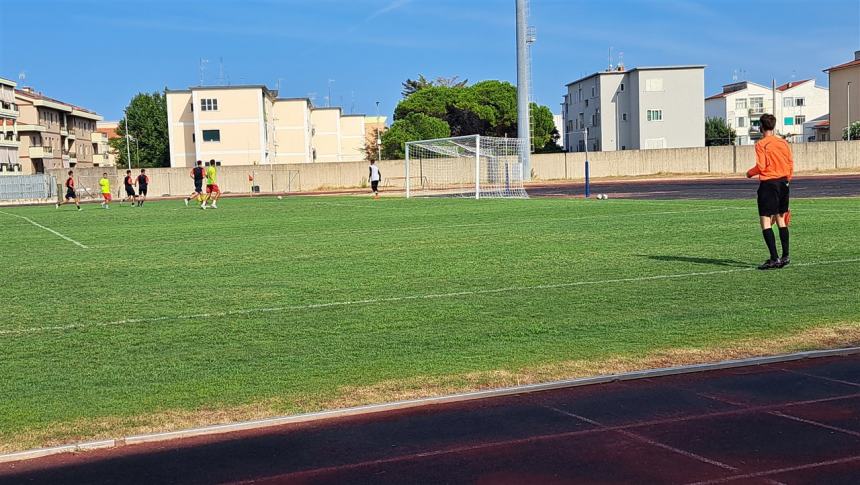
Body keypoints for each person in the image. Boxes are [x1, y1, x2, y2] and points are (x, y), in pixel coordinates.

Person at [747, 113, 793, 270]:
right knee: (781, 219)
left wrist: (749, 173)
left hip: (769, 184)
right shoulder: (784, 143)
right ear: (773, 126)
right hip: (784, 182)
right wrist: (787, 181)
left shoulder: (761, 144)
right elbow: (790, 163)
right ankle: (785, 256)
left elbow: (761, 166)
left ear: (761, 126)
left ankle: (774, 258)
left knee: (765, 221)